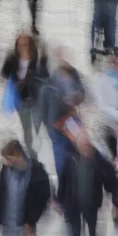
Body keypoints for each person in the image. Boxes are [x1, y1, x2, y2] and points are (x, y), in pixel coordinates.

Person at [58, 132, 118, 236]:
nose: (85, 149)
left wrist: (116, 204)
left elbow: (112, 183)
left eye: (87, 146)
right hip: (73, 206)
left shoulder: (100, 162)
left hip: (92, 207)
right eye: (82, 146)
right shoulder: (70, 159)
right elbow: (63, 182)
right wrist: (58, 200)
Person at [38, 49, 86, 177]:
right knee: (61, 161)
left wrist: (77, 97)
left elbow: (83, 93)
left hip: (72, 122)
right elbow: (42, 111)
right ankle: (64, 186)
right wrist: (50, 128)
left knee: (78, 152)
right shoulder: (49, 86)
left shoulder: (74, 74)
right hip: (57, 127)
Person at [1, 34, 48, 158]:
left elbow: (44, 74)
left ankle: (36, 145)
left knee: (37, 124)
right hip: (21, 99)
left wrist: (43, 62)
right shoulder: (12, 58)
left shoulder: (35, 57)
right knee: (27, 127)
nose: (22, 47)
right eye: (20, 44)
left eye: (25, 44)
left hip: (35, 96)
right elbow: (4, 73)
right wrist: (16, 81)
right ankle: (31, 152)